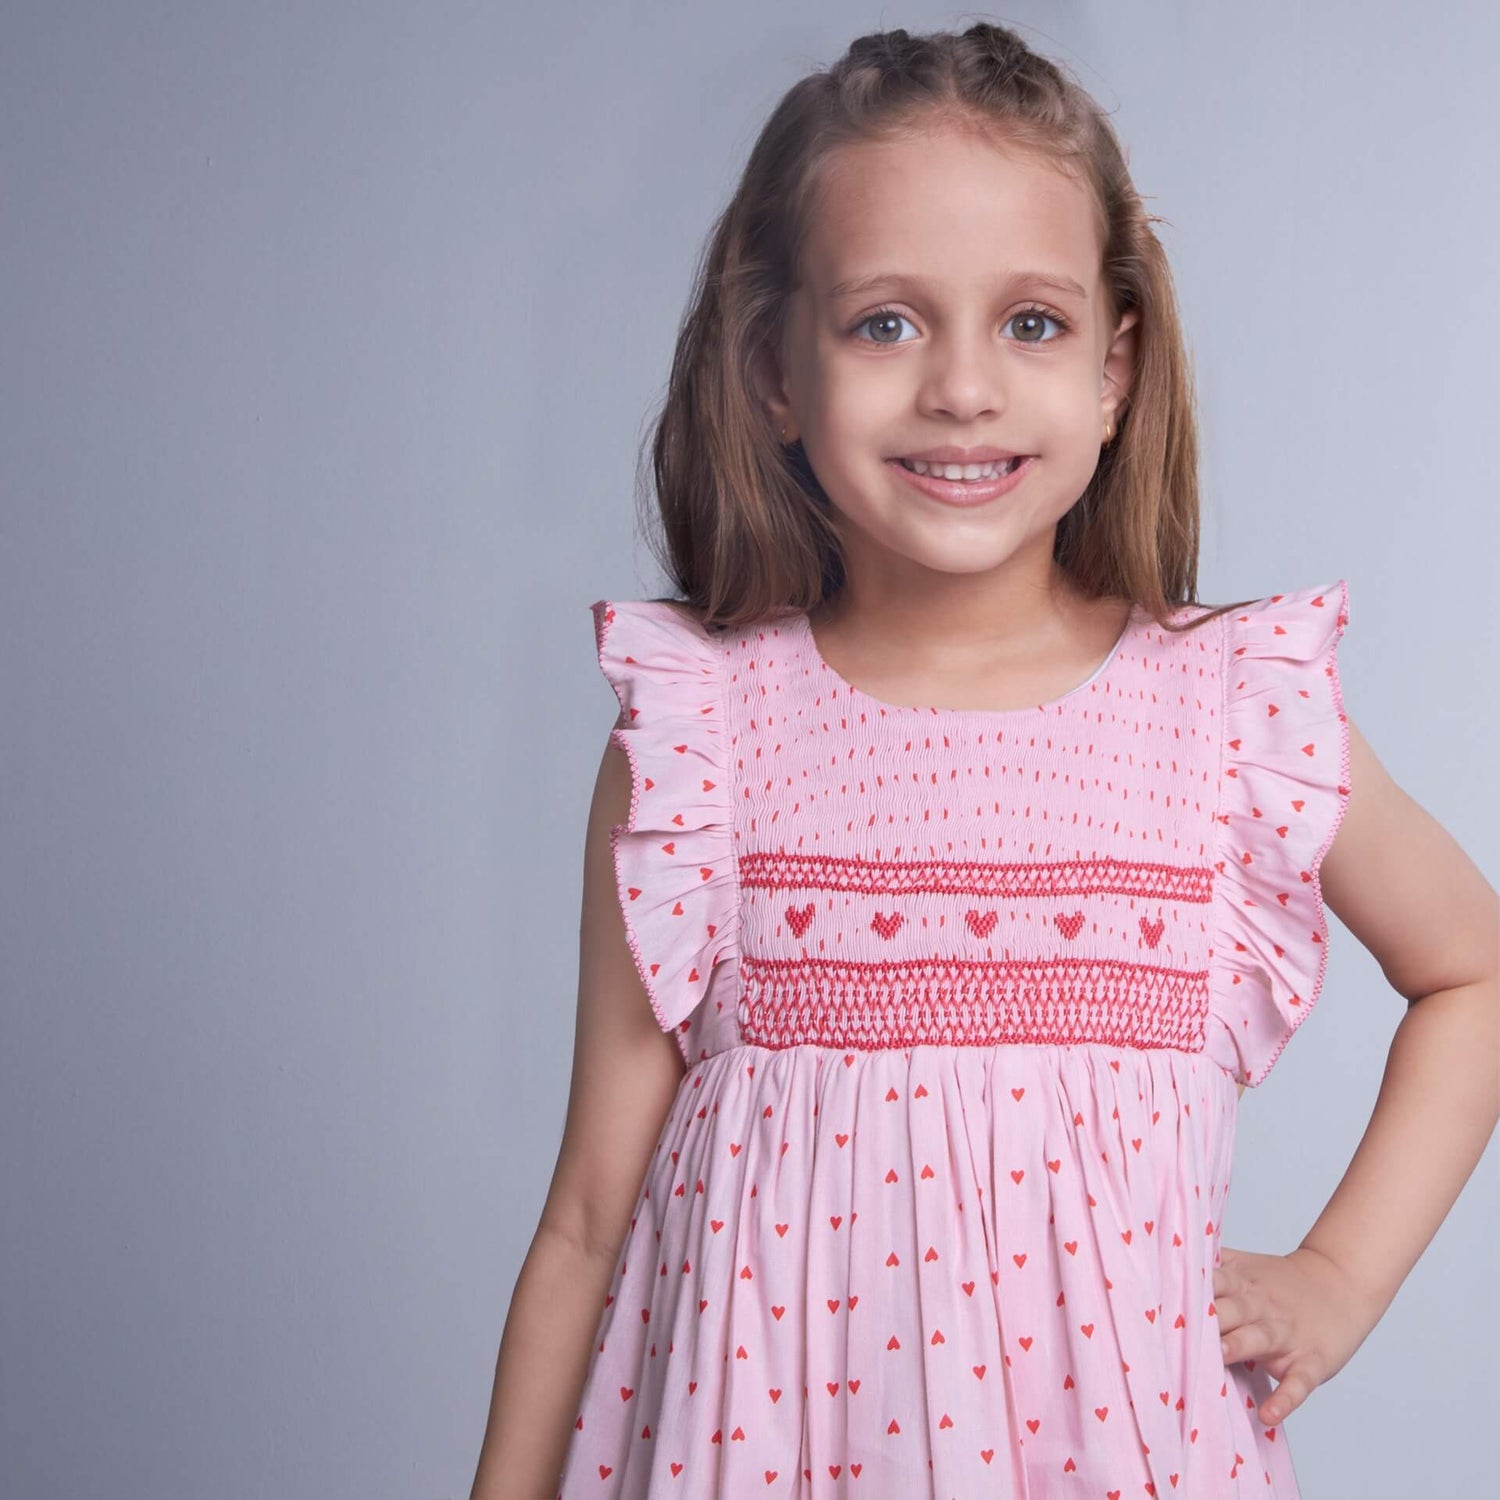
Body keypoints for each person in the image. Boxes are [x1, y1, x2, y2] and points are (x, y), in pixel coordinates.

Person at [471, 22, 1498, 1500]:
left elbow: (1476, 971)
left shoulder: (1230, 717)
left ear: (1112, 371)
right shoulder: (704, 745)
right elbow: (587, 1218)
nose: (962, 387)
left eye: (1031, 323)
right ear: (773, 369)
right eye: (887, 322)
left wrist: (1340, 1276)